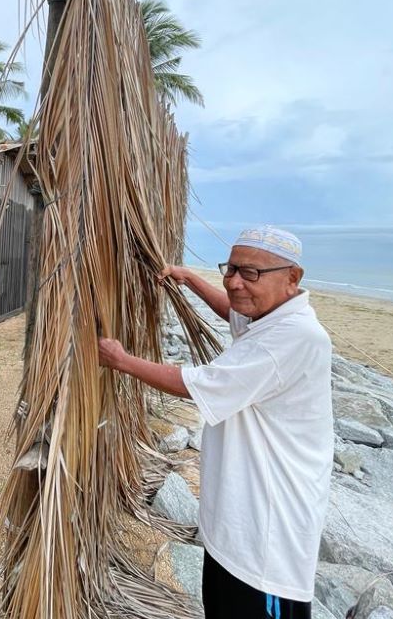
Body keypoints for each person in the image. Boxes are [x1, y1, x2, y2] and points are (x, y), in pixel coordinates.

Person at [98, 225, 332, 619]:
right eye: (231, 269)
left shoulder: (294, 338)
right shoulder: (270, 316)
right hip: (235, 530)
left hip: (265, 544)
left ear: (293, 278)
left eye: (251, 273)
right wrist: (189, 278)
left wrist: (121, 360)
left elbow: (197, 384)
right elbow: (233, 310)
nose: (237, 282)